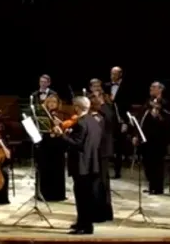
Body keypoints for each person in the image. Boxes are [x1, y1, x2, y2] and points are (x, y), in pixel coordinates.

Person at [54, 96, 102, 235]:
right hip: (91, 163)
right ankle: (82, 222)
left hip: (81, 165)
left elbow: (77, 144)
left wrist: (61, 135)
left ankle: (85, 226)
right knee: (86, 196)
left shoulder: (81, 123)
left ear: (77, 107)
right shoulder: (93, 121)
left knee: (82, 197)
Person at [135, 82, 170, 195]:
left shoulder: (165, 103)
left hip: (159, 140)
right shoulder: (147, 102)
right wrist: (137, 135)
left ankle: (158, 188)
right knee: (147, 163)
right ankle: (151, 185)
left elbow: (169, 120)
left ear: (160, 90)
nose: (151, 88)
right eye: (151, 87)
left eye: (153, 87)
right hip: (146, 139)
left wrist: (157, 112)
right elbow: (141, 118)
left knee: (157, 164)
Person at [90, 90, 114, 222]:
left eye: (96, 97)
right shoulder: (94, 113)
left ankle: (102, 213)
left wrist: (102, 104)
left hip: (102, 151)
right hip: (96, 150)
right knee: (97, 182)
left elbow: (110, 122)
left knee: (101, 182)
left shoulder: (106, 111)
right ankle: (99, 212)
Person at [37, 95, 67, 201]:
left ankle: (58, 194)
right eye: (50, 102)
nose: (52, 104)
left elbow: (67, 129)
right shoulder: (42, 115)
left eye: (54, 102)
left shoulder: (62, 115)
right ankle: (45, 194)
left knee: (57, 169)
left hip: (58, 145)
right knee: (45, 169)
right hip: (45, 144)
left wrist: (61, 125)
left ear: (58, 103)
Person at [103, 66, 130, 179]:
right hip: (108, 119)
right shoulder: (106, 86)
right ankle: (105, 171)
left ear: (120, 74)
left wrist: (125, 122)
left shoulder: (126, 87)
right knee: (107, 145)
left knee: (119, 147)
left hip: (120, 120)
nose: (112, 75)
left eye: (115, 73)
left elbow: (127, 106)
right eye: (111, 73)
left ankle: (117, 171)